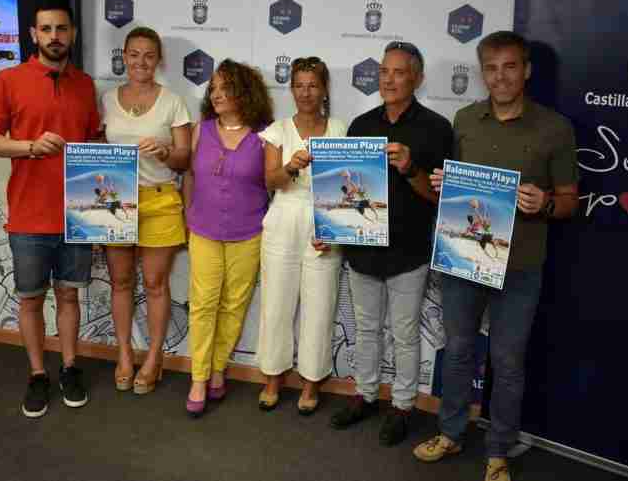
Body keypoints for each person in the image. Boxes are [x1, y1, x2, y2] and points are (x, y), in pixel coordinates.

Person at [415, 31, 579, 481]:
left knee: (507, 363)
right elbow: (458, 187)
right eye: (491, 68)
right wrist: (444, 185)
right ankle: (450, 433)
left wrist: (545, 202)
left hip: (520, 266)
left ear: (526, 70)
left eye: (510, 67)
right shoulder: (465, 119)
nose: (500, 76)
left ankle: (498, 451)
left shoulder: (555, 128)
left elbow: (570, 200)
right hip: (463, 258)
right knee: (458, 351)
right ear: (482, 73)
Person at [0, 0, 101, 418]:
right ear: (33, 34)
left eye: (61, 28)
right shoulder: (8, 79)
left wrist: (114, 160)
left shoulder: (85, 84)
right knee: (31, 300)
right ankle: (36, 374)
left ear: (72, 33)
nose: (54, 36)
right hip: (28, 214)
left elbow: (95, 141)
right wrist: (30, 146)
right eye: (46, 29)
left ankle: (69, 368)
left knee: (69, 295)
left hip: (78, 213)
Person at [327, 41, 452, 446]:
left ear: (417, 77)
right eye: (384, 71)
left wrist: (411, 167)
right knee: (366, 329)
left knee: (404, 333)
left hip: (408, 250)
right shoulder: (361, 125)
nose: (389, 79)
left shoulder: (436, 128)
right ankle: (365, 395)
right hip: (363, 248)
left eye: (399, 72)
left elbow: (441, 198)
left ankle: (402, 406)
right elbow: (345, 189)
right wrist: (331, 227)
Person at [100, 26, 191, 395]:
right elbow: (95, 150)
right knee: (121, 282)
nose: (141, 61)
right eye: (134, 54)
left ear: (158, 60)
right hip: (115, 201)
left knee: (155, 285)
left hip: (160, 199)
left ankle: (153, 358)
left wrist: (166, 152)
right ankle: (124, 355)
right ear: (124, 56)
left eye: (149, 55)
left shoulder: (173, 101)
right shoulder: (106, 99)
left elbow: (184, 158)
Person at [183, 59, 273, 417]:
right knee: (203, 304)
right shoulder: (200, 130)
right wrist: (188, 213)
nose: (216, 94)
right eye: (213, 89)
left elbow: (273, 184)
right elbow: (189, 176)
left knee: (234, 305)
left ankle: (218, 367)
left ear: (245, 93)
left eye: (225, 88)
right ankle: (199, 378)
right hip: (203, 230)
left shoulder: (265, 136)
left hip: (248, 233)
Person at [256, 56, 346, 415]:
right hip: (284, 216)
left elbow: (347, 184)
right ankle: (273, 378)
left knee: (320, 306)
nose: (306, 93)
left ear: (324, 89)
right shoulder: (278, 129)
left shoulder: (339, 128)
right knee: (276, 304)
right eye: (299, 85)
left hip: (325, 218)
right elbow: (270, 181)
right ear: (291, 89)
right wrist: (291, 166)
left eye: (313, 85)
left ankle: (311, 382)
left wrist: (334, 229)